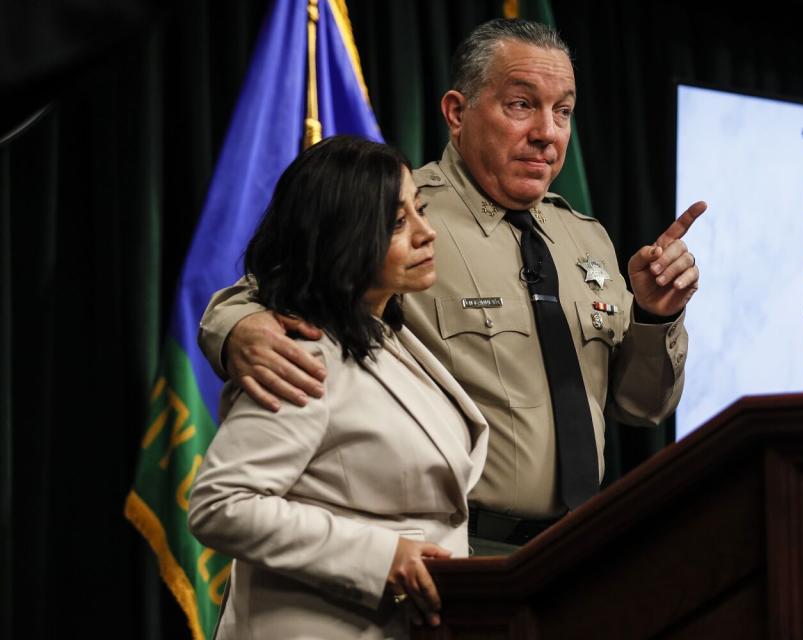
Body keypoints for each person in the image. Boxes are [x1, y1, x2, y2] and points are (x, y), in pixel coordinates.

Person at [198, 19, 704, 555]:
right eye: (521, 105)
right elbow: (267, 288)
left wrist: (653, 315)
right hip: (456, 548)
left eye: (563, 111)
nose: (548, 133)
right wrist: (239, 329)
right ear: (457, 113)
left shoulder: (586, 238)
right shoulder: (400, 219)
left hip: (576, 548)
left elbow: (640, 407)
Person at [187, 136, 488, 639]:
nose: (426, 233)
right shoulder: (300, 354)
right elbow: (222, 504)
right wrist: (382, 558)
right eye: (396, 223)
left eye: (420, 209)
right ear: (340, 238)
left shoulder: (384, 333)